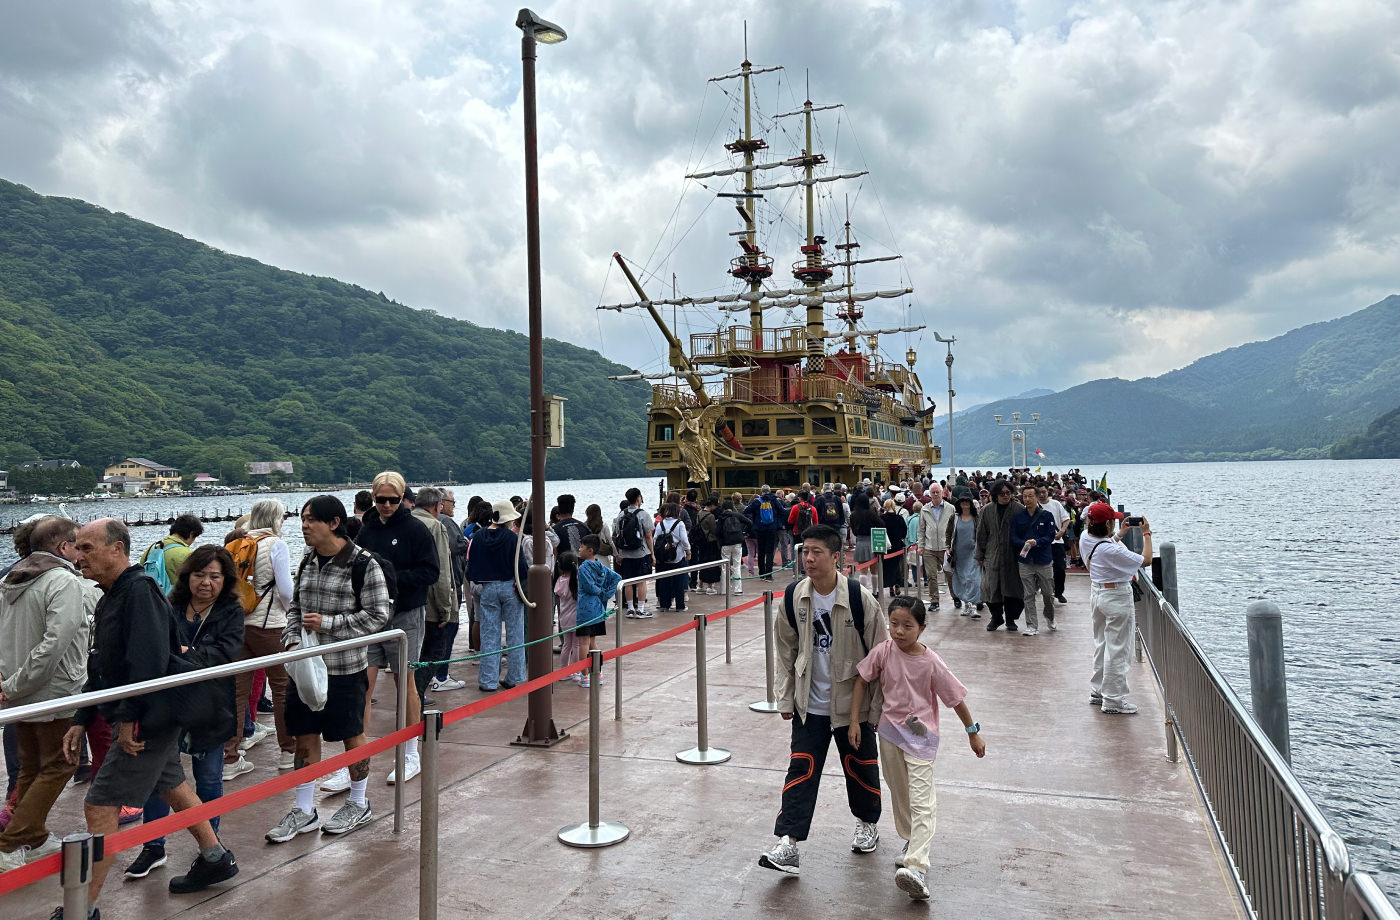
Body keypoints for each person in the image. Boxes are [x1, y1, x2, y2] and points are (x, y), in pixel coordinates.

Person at [60, 519, 238, 910]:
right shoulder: (112, 595)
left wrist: (129, 721)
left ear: (118, 550)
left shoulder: (139, 593)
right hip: (143, 713)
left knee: (99, 804)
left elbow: (148, 666)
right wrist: (81, 717)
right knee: (172, 784)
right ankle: (216, 858)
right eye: (78, 547)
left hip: (146, 719)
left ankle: (82, 908)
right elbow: (103, 668)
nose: (79, 555)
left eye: (88, 548)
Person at [759, 524, 888, 876]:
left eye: (817, 552)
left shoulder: (861, 600)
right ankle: (788, 843)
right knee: (801, 769)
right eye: (805, 551)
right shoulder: (792, 598)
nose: (809, 558)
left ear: (837, 557)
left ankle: (867, 823)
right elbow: (785, 653)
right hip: (809, 705)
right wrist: (785, 699)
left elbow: (880, 657)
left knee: (860, 768)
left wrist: (875, 710)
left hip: (853, 707)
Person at [266, 496, 393, 844]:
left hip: (345, 668)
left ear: (334, 523)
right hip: (306, 668)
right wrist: (291, 639)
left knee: (352, 735)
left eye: (311, 520)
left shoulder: (363, 564)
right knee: (304, 735)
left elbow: (378, 615)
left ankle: (358, 802)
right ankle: (304, 810)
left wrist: (330, 624)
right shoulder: (307, 561)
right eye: (303, 519)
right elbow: (294, 608)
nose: (304, 525)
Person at [849, 596, 986, 901]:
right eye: (894, 624)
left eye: (907, 626)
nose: (898, 631)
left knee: (923, 800)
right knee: (900, 793)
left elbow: (955, 699)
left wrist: (972, 732)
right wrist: (855, 721)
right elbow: (861, 680)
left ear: (922, 629)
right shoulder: (883, 652)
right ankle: (912, 844)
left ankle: (917, 866)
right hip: (888, 733)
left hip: (921, 737)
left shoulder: (931, 662)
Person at [126, 545, 244, 881]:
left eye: (214, 576)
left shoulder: (231, 611)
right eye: (199, 575)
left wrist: (181, 653)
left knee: (208, 778)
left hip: (211, 706)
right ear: (187, 576)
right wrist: (185, 654)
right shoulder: (169, 604)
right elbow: (154, 647)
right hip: (169, 705)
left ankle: (211, 849)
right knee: (160, 779)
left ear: (225, 580)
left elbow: (226, 652)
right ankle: (153, 845)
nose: (205, 582)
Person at [0, 516, 95, 873]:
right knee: (62, 762)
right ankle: (10, 843)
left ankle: (34, 835)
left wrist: (10, 682)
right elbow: (56, 642)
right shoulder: (62, 581)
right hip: (55, 690)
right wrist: (18, 683)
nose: (81, 552)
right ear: (63, 546)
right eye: (78, 544)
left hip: (17, 690)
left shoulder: (11, 579)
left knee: (31, 766)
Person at [351, 471, 439, 788]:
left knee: (407, 681)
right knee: (363, 684)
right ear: (372, 499)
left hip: (406, 614)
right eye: (380, 499)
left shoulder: (416, 529)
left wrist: (390, 579)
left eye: (393, 499)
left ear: (402, 498)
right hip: (372, 616)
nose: (386, 505)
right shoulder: (366, 530)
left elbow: (431, 571)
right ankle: (356, 757)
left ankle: (410, 753)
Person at [221, 499, 296, 782]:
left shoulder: (235, 544)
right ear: (276, 518)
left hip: (238, 626)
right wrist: (290, 614)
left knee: (237, 693)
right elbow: (286, 590)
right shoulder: (276, 544)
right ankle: (288, 751)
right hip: (269, 625)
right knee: (281, 687)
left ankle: (230, 757)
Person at [1081, 504, 1152, 714]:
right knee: (1118, 648)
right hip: (1117, 597)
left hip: (1098, 593)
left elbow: (1104, 543)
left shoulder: (1086, 537)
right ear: (1108, 523)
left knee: (1102, 643)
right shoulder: (1109, 550)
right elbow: (1145, 560)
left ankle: (1098, 690)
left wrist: (1120, 533)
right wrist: (1146, 533)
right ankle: (1113, 698)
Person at [465, 500, 529, 692]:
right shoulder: (512, 538)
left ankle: (488, 680)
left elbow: (470, 568)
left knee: (489, 635)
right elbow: (522, 568)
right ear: (508, 519)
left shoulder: (478, 537)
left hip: (487, 589)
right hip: (510, 587)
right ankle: (515, 677)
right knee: (515, 634)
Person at [410, 487, 457, 711]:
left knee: (412, 654)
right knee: (433, 652)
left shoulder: (406, 522)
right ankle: (415, 700)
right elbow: (442, 571)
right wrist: (446, 606)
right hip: (429, 603)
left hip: (406, 601)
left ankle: (412, 698)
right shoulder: (435, 526)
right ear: (437, 506)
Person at [431, 490, 469, 693]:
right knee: (449, 627)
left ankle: (432, 673)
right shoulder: (445, 522)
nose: (454, 505)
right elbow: (457, 544)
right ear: (441, 503)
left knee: (434, 632)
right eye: (452, 502)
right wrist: (466, 543)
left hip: (431, 584)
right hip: (449, 582)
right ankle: (441, 676)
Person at [975, 481, 1025, 632]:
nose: (1005, 496)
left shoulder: (1019, 509)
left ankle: (1011, 619)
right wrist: (980, 554)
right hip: (992, 554)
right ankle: (996, 616)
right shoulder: (987, 510)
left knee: (1014, 589)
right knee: (991, 587)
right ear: (995, 495)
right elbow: (981, 533)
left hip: (1013, 555)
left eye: (1008, 493)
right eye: (1002, 494)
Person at [1011, 485, 1059, 637]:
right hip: (1025, 561)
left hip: (1043, 560)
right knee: (1028, 594)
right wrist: (1024, 543)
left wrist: (1036, 542)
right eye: (1025, 496)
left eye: (1030, 496)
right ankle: (1031, 625)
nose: (1027, 499)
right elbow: (1013, 537)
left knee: (1048, 593)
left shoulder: (1046, 515)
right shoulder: (1018, 517)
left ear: (1037, 497)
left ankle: (1050, 616)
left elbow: (1051, 536)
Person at [575, 536, 621, 688]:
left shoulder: (583, 568)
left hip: (585, 610)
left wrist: (601, 592)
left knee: (583, 642)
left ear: (590, 550)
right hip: (598, 610)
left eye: (581, 547)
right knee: (593, 642)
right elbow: (617, 577)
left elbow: (588, 587)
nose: (579, 549)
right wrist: (607, 594)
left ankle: (584, 675)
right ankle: (598, 672)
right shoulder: (600, 566)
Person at [614, 488, 655, 618]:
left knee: (628, 581)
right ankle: (641, 609)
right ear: (638, 498)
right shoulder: (643, 514)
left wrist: (619, 553)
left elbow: (617, 534)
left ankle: (630, 609)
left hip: (625, 553)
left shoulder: (621, 514)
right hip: (640, 553)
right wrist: (652, 553)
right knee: (641, 581)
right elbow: (648, 535)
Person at [137, 513, 203, 591]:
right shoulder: (188, 554)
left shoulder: (151, 548)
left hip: (151, 599)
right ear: (192, 534)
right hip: (173, 601)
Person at [916, 488, 957, 610]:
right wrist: (921, 545)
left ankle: (956, 597)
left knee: (950, 574)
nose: (935, 494)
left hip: (946, 547)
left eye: (937, 492)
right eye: (933, 492)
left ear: (942, 493)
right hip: (929, 547)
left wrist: (953, 545)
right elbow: (921, 529)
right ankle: (934, 600)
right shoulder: (925, 509)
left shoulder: (950, 508)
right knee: (931, 575)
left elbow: (955, 528)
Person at [945, 496, 983, 617]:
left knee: (973, 579)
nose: (965, 505)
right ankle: (967, 604)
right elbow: (949, 532)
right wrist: (947, 547)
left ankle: (973, 605)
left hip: (973, 553)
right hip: (959, 554)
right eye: (963, 503)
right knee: (962, 579)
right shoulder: (954, 518)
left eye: (967, 502)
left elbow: (982, 533)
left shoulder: (976, 518)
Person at [652, 502, 692, 612]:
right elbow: (684, 539)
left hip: (664, 556)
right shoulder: (680, 524)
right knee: (679, 581)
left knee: (665, 581)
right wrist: (688, 551)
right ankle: (680, 605)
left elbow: (655, 539)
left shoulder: (660, 524)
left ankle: (665, 605)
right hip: (678, 555)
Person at [744, 485, 785, 582]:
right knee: (770, 552)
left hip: (759, 529)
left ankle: (762, 573)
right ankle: (769, 575)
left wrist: (755, 518)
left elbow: (746, 511)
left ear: (761, 492)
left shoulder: (757, 501)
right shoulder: (775, 500)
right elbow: (782, 512)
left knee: (761, 551)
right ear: (770, 491)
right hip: (772, 528)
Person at [1039, 485, 1071, 604]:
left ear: (1048, 492)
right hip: (1041, 543)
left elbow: (1066, 519)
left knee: (1059, 569)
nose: (1041, 495)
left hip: (1057, 541)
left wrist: (1062, 531)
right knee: (1042, 569)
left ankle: (1059, 592)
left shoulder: (1056, 504)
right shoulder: (1033, 505)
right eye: (1039, 493)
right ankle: (1045, 590)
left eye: (1043, 492)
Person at [716, 498, 749, 597]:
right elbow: (749, 522)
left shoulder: (721, 517)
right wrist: (744, 533)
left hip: (725, 544)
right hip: (737, 543)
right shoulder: (737, 515)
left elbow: (717, 532)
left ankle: (724, 590)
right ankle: (738, 589)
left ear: (723, 508)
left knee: (724, 567)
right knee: (737, 565)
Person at [554, 552, 580, 680]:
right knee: (576, 645)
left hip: (563, 618)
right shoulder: (577, 581)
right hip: (576, 618)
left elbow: (558, 593)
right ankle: (576, 672)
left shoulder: (560, 581)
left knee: (566, 645)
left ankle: (564, 671)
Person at [693, 495, 723, 595]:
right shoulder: (710, 516)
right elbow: (714, 530)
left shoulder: (699, 513)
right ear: (713, 505)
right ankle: (710, 586)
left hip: (701, 542)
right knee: (711, 564)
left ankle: (700, 585)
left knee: (702, 563)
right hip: (710, 542)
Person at [879, 498, 907, 597]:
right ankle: (897, 584)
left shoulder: (882, 518)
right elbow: (904, 532)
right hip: (897, 545)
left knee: (888, 567)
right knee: (897, 567)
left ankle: (890, 586)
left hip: (886, 546)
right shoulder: (899, 518)